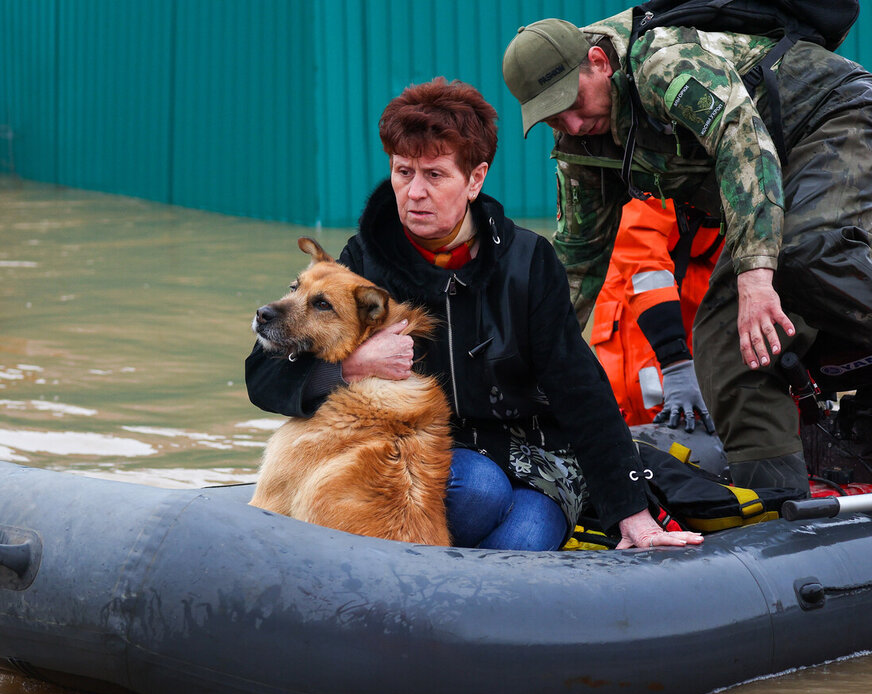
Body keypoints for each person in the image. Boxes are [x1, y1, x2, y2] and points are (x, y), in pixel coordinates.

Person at [245, 77, 702, 551]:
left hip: (536, 461)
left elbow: (580, 389)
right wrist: (348, 367)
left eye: (434, 175)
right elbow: (263, 377)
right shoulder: (364, 261)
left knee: (522, 541)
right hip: (435, 458)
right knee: (476, 491)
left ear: (475, 179)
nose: (414, 192)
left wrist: (633, 513)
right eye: (403, 172)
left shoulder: (529, 260)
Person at [502, 13, 872, 497]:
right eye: (552, 117)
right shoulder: (581, 143)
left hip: (832, 118)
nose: (570, 123)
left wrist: (756, 278)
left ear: (598, 62)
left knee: (802, 256)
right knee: (729, 343)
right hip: (775, 169)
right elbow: (577, 261)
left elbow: (744, 142)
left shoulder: (665, 65)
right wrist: (527, 368)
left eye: (572, 102)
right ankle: (782, 514)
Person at [592, 197, 720, 429]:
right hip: (645, 305)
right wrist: (675, 361)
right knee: (648, 411)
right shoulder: (650, 175)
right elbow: (640, 248)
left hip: (706, 289)